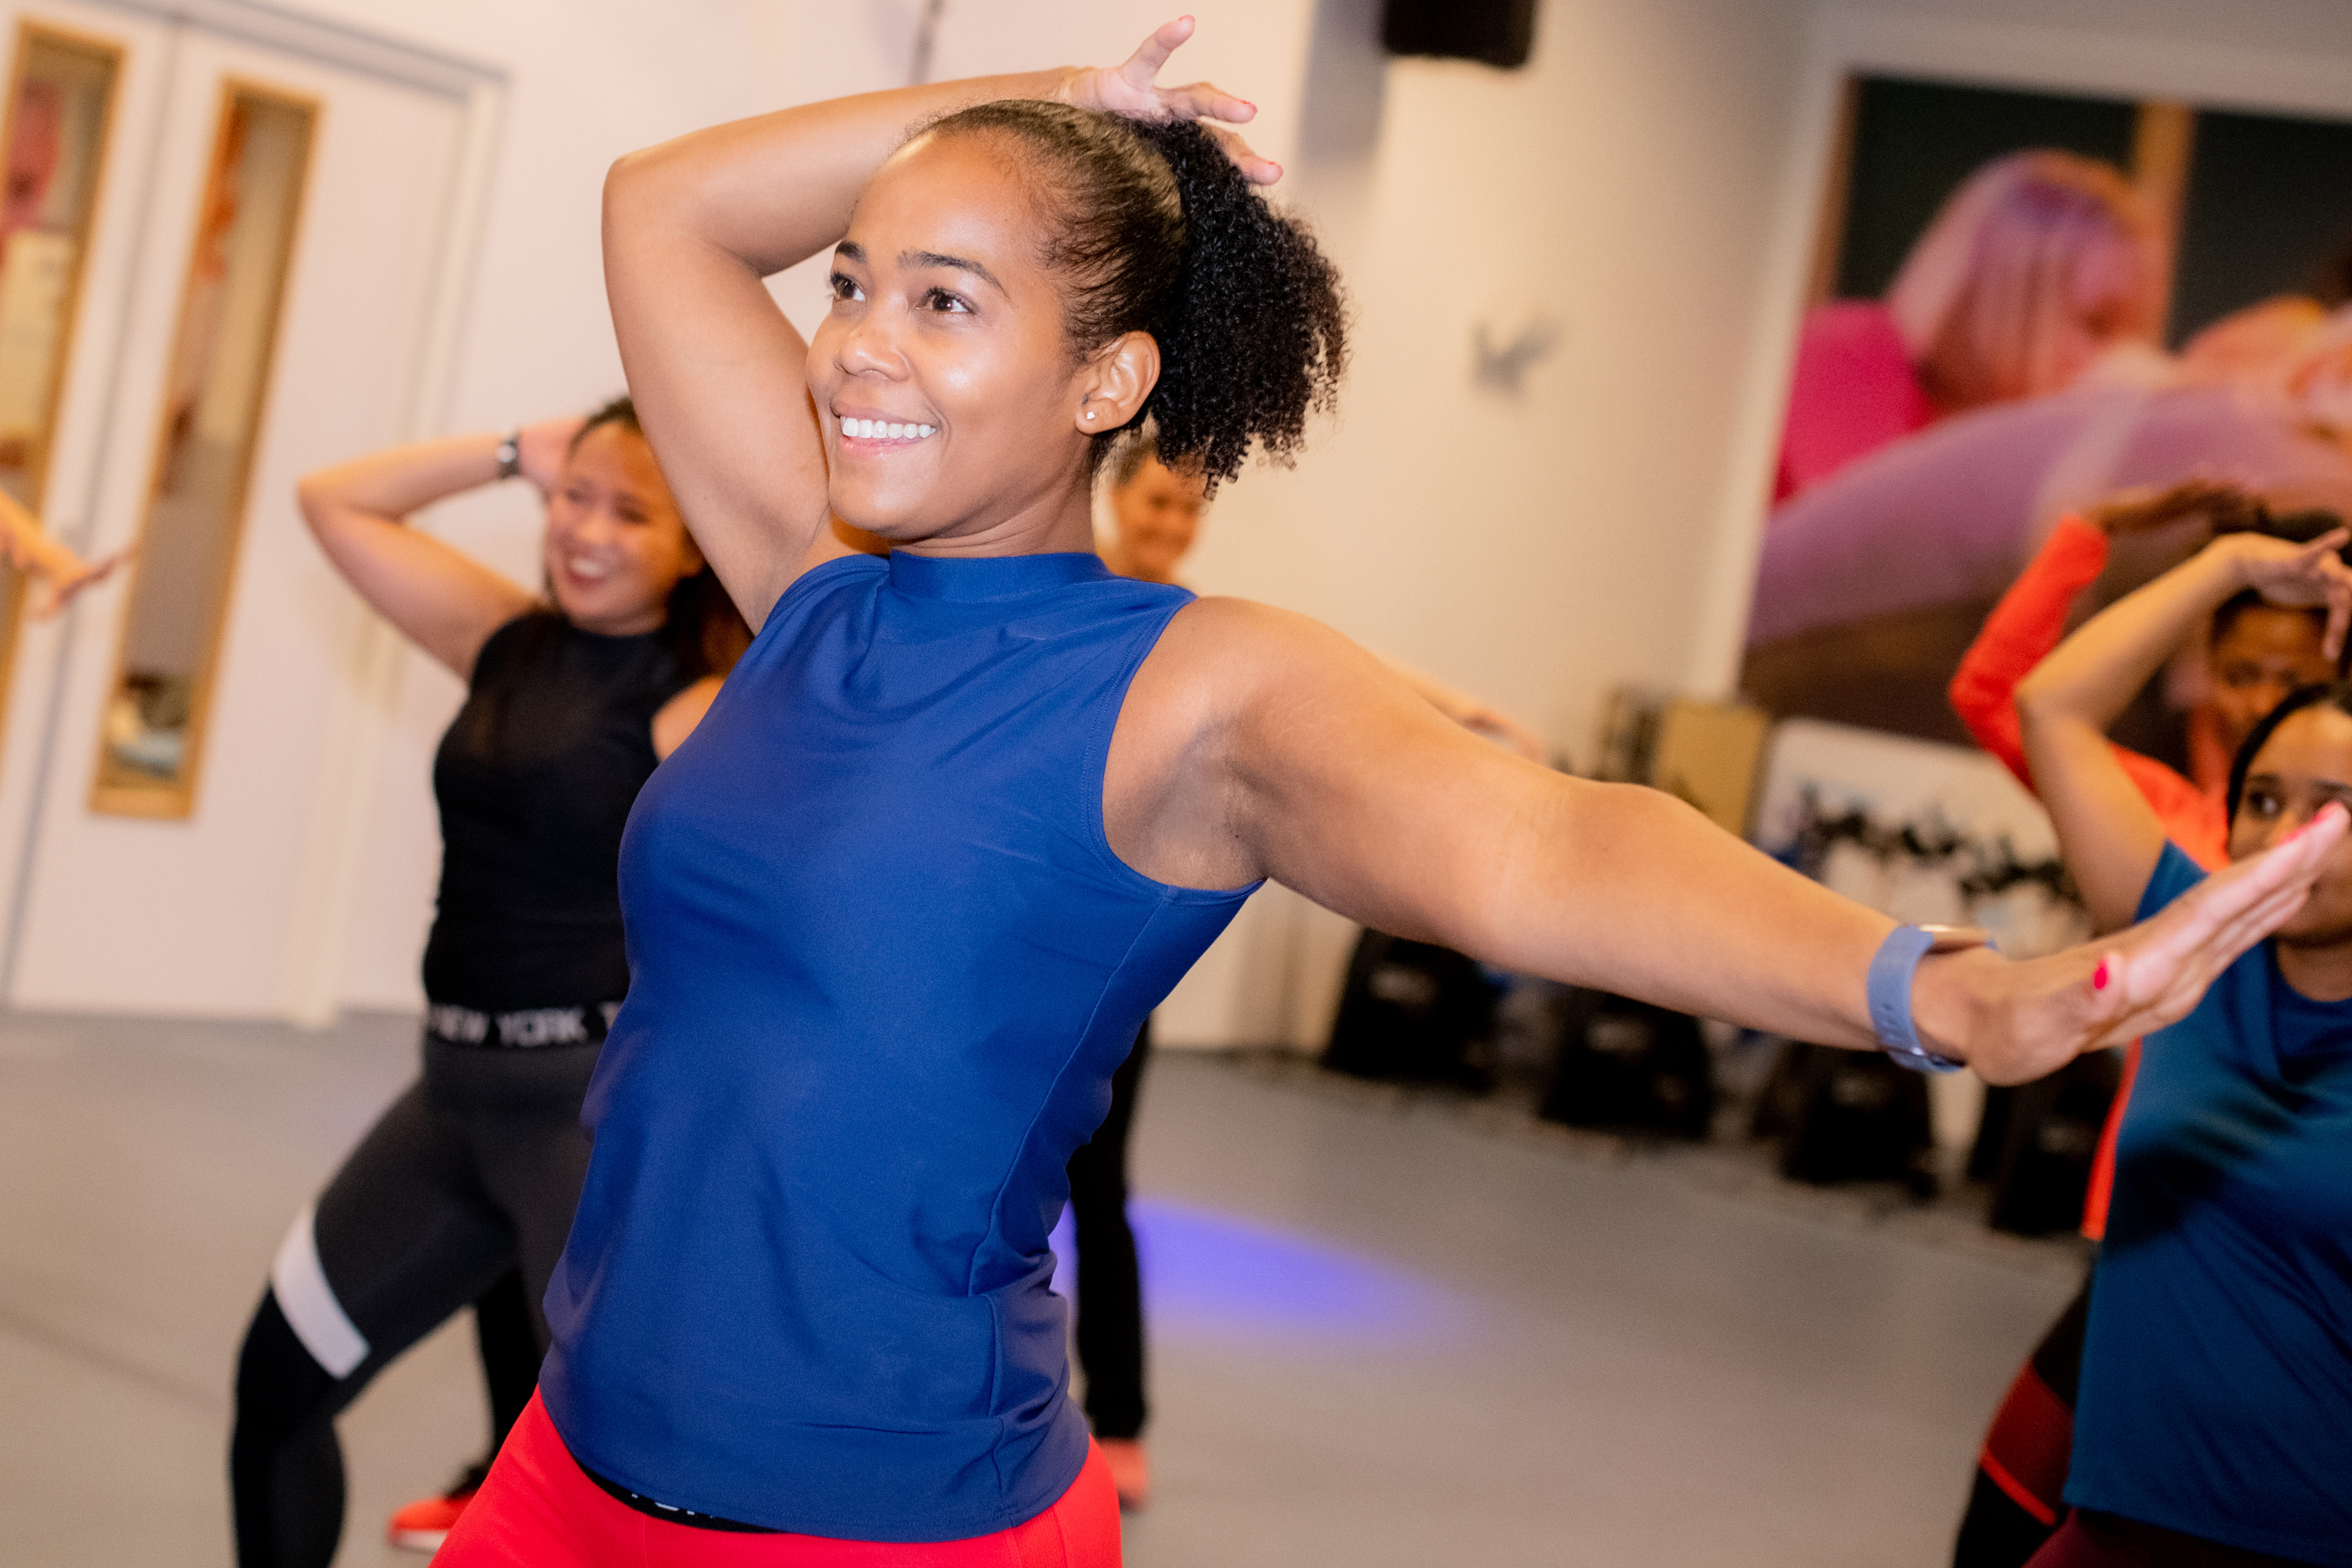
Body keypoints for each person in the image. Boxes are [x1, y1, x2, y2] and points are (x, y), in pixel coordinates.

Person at [435, 23, 2343, 1565]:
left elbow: (1540, 838)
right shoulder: (807, 582)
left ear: (1108, 382)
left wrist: (1930, 988)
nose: (853, 338)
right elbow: (665, 204)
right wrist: (1059, 118)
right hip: (569, 1462)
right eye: (852, 281)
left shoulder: (1184, 686)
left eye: (943, 302)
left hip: (877, 1521)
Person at [229, 399, 749, 1568]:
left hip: (580, 1117)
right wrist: (519, 451)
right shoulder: (507, 638)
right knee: (275, 1394)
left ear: (693, 544)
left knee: (605, 1494)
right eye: (576, 497)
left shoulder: (693, 702)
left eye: (632, 511)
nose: (587, 532)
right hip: (448, 1099)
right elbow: (335, 500)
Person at [1947, 489, 2342, 1566]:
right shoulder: (2188, 943)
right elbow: (2044, 705)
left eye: (2323, 808)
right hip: (2127, 1485)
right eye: (2259, 802)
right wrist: (2223, 566)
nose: (2278, 839)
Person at [1776, 150, 2163, 501]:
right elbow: (1870, 545)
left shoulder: (1976, 419)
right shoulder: (1844, 351)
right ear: (2015, 300)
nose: (2115, 355)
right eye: (2096, 325)